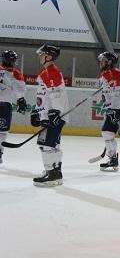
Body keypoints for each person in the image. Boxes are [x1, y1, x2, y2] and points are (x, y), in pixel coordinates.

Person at [30, 44, 69, 186]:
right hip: (48, 114)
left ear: (48, 56)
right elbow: (42, 95)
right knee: (52, 145)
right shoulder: (45, 72)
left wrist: (55, 112)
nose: (39, 57)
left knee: (46, 144)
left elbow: (56, 92)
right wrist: (36, 111)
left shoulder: (51, 71)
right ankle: (55, 172)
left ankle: (51, 173)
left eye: (42, 54)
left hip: (53, 115)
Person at [0, 50, 27, 164]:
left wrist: (21, 99)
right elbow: (20, 89)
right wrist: (21, 100)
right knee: (2, 131)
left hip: (5, 105)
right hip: (5, 105)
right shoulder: (15, 73)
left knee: (2, 131)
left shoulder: (14, 73)